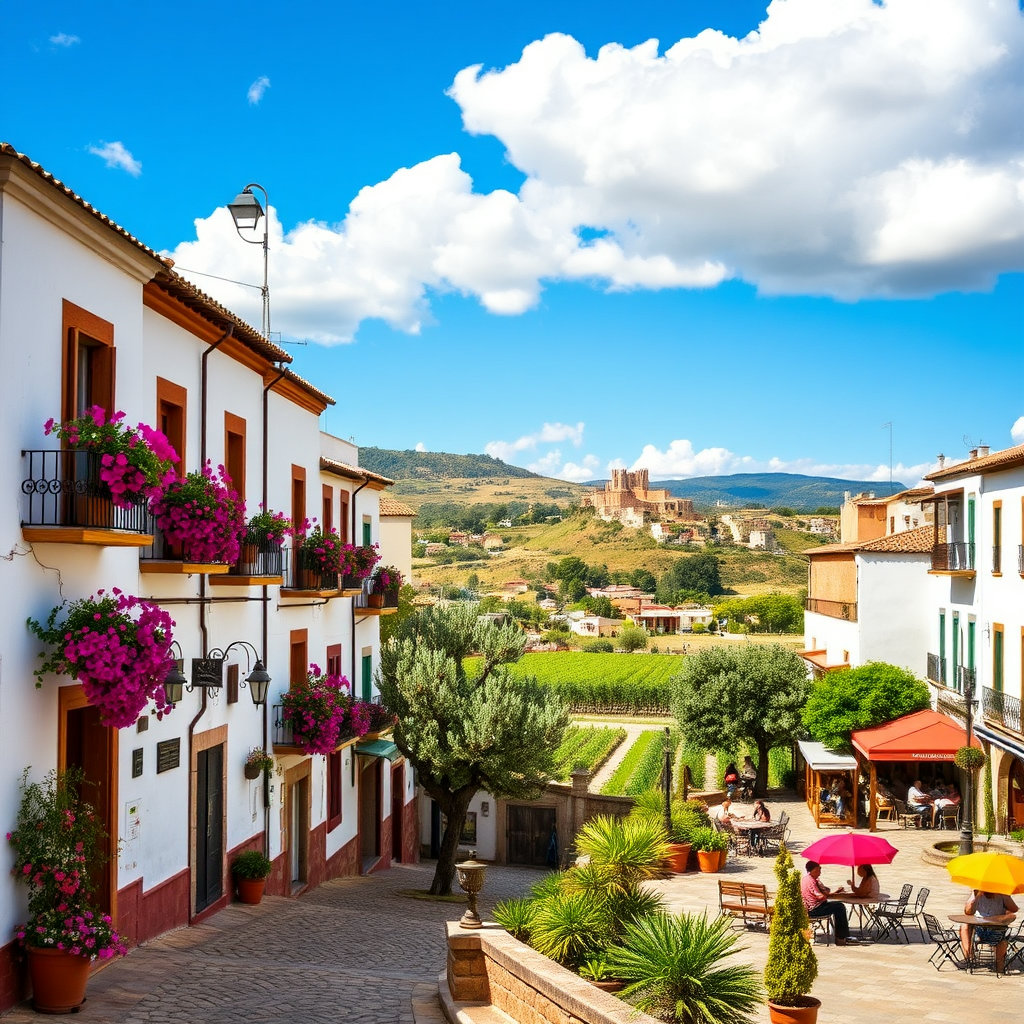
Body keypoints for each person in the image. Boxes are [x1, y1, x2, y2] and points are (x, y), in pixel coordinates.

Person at [959, 890, 1019, 972]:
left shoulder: (1002, 895)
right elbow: (968, 912)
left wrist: (1005, 897)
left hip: (997, 930)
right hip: (979, 930)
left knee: (1003, 940)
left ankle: (999, 968)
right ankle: (968, 959)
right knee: (964, 926)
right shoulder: (977, 893)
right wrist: (976, 897)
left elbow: (1014, 911)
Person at [801, 861, 855, 945]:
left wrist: (830, 892)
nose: (820, 873)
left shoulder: (807, 879)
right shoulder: (810, 881)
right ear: (814, 870)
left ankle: (841, 936)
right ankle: (841, 938)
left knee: (837, 905)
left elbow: (826, 891)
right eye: (818, 870)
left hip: (814, 907)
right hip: (814, 909)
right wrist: (828, 895)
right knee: (840, 907)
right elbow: (820, 896)